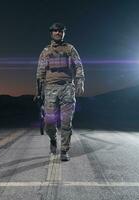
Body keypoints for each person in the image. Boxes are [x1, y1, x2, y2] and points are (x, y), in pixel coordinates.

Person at [35, 22, 85, 161]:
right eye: (56, 31)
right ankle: (53, 139)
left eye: (61, 31)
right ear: (51, 33)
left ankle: (64, 150)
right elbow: (40, 72)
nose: (58, 33)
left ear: (63, 33)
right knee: (49, 122)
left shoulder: (70, 49)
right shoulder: (46, 51)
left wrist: (80, 81)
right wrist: (38, 92)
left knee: (66, 122)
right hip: (50, 89)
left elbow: (79, 65)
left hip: (67, 88)